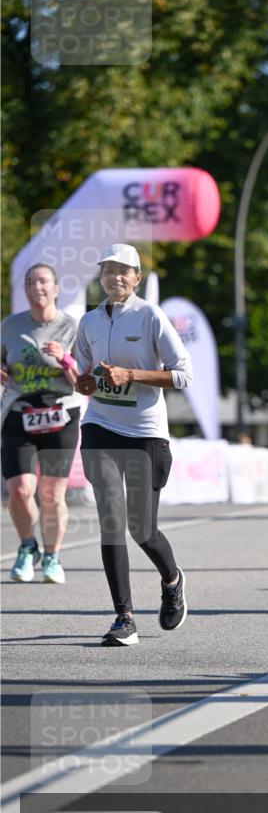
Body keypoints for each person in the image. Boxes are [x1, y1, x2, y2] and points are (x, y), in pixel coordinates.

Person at [74, 244, 193, 646]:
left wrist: (133, 375)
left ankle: (172, 579)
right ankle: (123, 617)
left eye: (124, 271)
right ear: (101, 276)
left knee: (142, 529)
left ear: (137, 278)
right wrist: (85, 382)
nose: (115, 278)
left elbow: (183, 375)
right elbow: (82, 373)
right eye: (109, 271)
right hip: (100, 426)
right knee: (111, 519)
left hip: (145, 432)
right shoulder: (89, 321)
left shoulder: (150, 316)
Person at [1, 264, 80, 583]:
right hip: (20, 411)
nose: (38, 288)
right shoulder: (9, 326)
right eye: (31, 282)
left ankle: (52, 556)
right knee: (19, 489)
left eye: (44, 282)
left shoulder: (71, 327)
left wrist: (65, 359)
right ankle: (26, 546)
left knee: (51, 494)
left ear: (57, 289)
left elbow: (82, 381)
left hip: (61, 411)